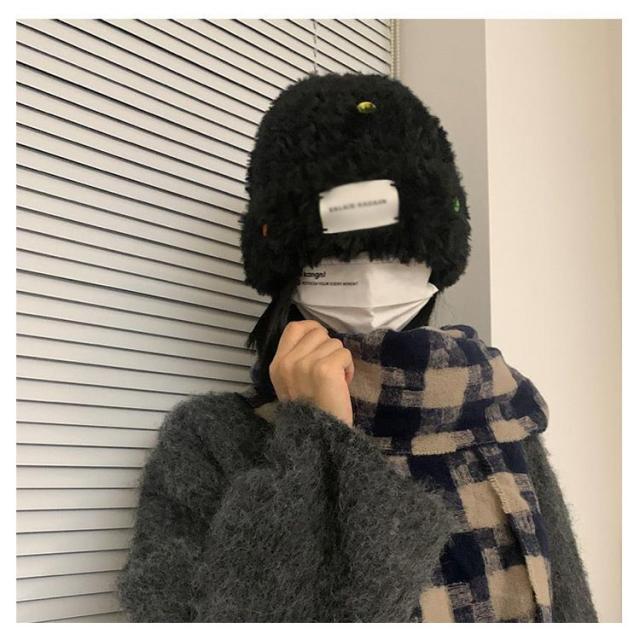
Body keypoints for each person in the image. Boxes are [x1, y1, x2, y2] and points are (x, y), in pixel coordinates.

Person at [117, 72, 598, 622]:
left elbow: (570, 610)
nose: (368, 274)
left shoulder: (497, 411)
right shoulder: (213, 442)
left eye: (396, 252)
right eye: (337, 253)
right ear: (288, 265)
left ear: (434, 258)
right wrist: (317, 439)